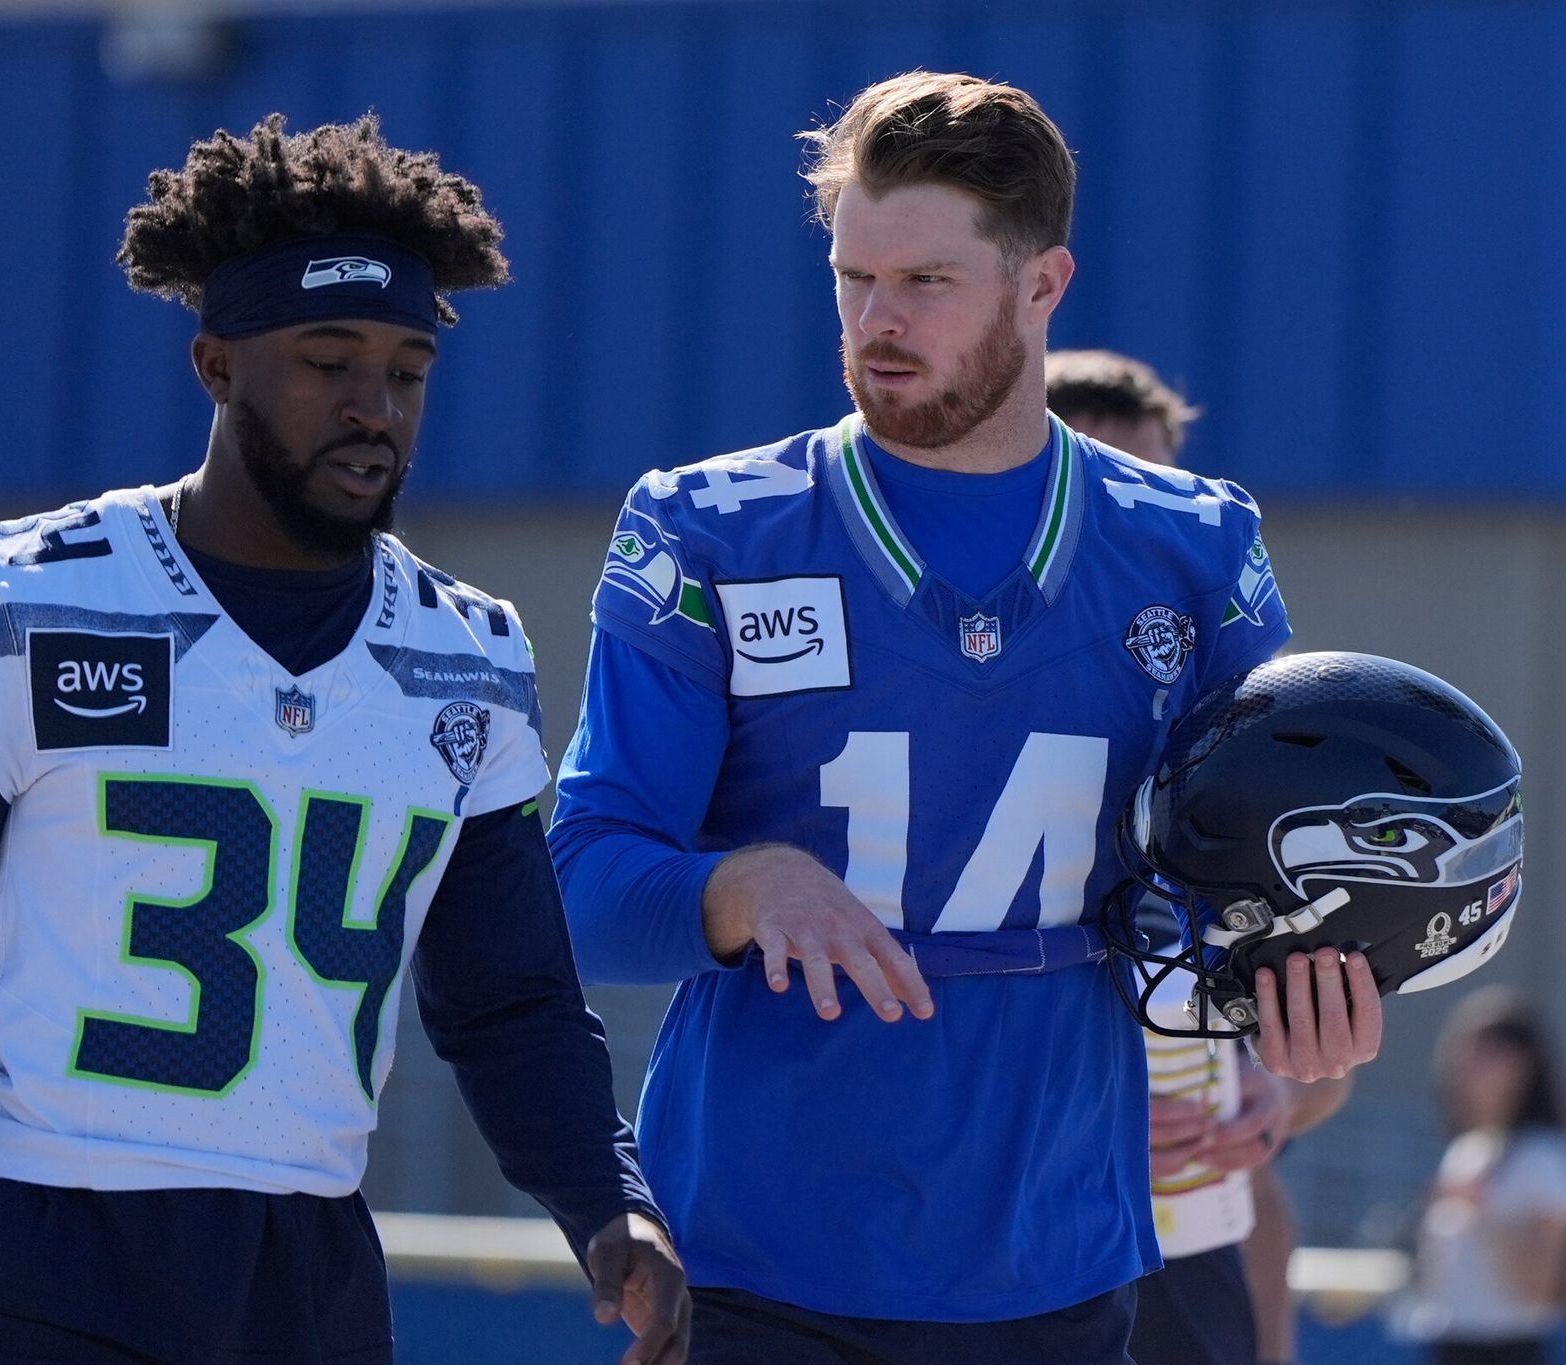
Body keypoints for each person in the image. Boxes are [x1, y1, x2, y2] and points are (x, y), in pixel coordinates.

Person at [0, 114, 688, 1365]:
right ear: (216, 366)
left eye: (404, 371)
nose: (372, 408)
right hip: (52, 1247)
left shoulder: (471, 652)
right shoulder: (29, 595)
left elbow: (506, 999)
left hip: (311, 1265)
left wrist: (603, 1197)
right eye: (325, 360)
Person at [549, 71, 1380, 1364]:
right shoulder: (709, 527)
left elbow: (1243, 880)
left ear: (1042, 285)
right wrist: (737, 889)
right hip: (755, 1256)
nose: (875, 319)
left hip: (1056, 1258)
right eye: (851, 277)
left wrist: (1301, 1017)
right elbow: (582, 880)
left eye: (925, 281)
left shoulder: (1193, 548)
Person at [1048, 348, 1355, 1365]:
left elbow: (1321, 1064)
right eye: (1111, 487)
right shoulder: (962, 722)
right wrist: (1075, 1115)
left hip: (1186, 1247)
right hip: (1007, 1239)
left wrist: (1276, 1095)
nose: (1142, 522)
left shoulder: (1228, 746)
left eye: (1162, 489)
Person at [1399, 987, 1566, 1365]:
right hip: (1449, 1342)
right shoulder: (1466, 1150)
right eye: (1463, 1056)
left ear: (1525, 1066)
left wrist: (1483, 1214)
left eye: (1486, 1057)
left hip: (1507, 1350)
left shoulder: (1541, 1157)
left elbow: (1537, 1290)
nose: (1465, 1070)